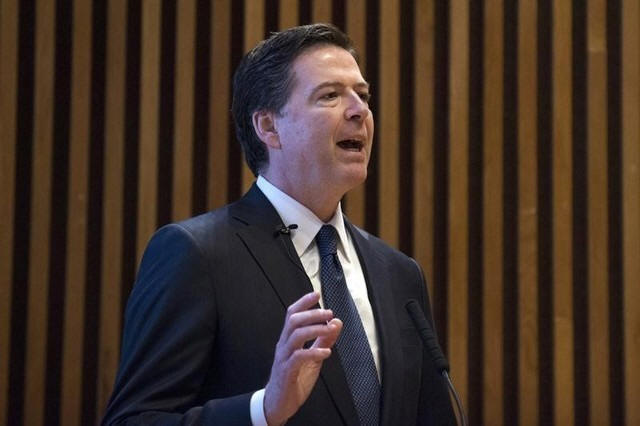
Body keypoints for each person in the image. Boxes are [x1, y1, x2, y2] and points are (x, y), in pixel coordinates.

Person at [102, 23, 455, 425]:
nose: (359, 110)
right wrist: (263, 410)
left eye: (363, 95)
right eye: (330, 95)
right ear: (269, 127)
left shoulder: (399, 274)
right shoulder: (197, 255)